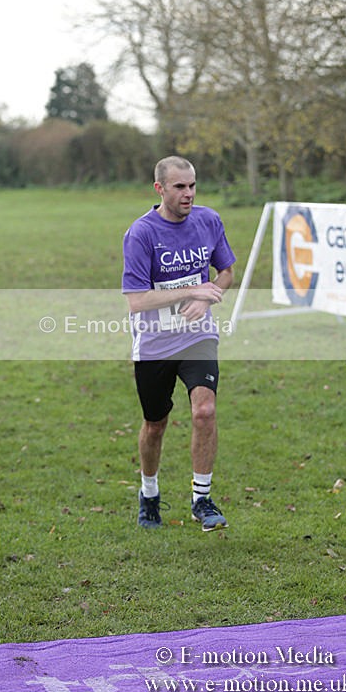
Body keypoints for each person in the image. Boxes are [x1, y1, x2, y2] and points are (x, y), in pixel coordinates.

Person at [122, 156, 236, 532]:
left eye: (192, 186)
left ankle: (201, 499)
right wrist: (191, 289)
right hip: (154, 343)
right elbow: (137, 300)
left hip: (197, 336)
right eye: (179, 187)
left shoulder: (208, 220)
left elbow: (226, 273)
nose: (188, 194)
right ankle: (149, 493)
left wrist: (207, 298)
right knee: (156, 424)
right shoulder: (141, 234)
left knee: (204, 411)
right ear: (160, 189)